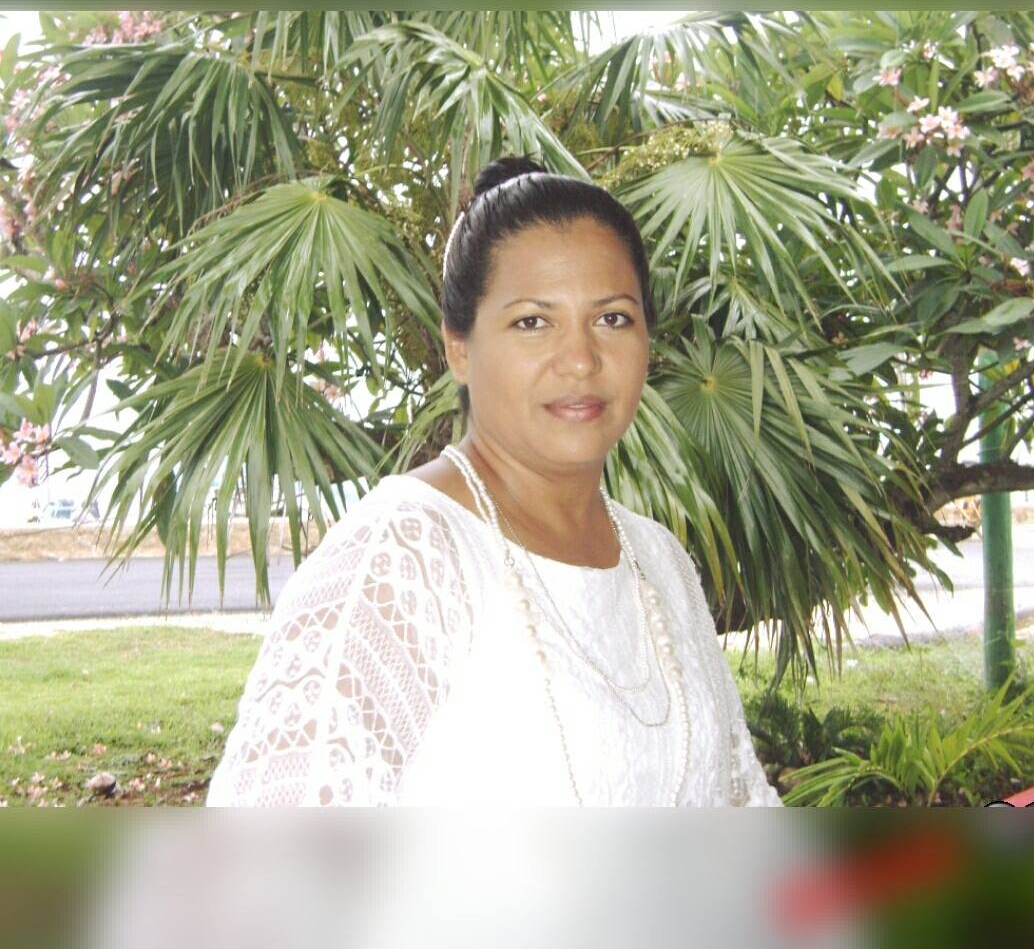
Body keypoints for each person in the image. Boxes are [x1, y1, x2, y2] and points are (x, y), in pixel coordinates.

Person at [206, 155, 782, 807]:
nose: (580, 359)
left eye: (613, 318)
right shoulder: (402, 559)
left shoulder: (660, 562)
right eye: (533, 321)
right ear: (459, 347)